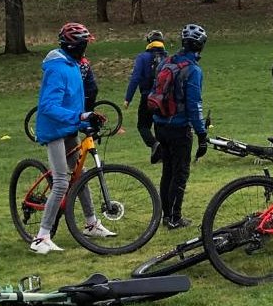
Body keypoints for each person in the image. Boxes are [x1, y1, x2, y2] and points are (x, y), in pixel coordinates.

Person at [30, 22, 116, 254]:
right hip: (54, 130)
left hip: (68, 126)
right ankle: (41, 237)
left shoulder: (75, 65)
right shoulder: (58, 68)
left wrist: (86, 119)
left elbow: (76, 100)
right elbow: (48, 106)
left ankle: (91, 223)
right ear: (73, 45)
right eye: (83, 44)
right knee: (61, 181)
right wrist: (78, 115)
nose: (86, 48)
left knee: (82, 174)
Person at [151, 23, 210, 229]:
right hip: (179, 127)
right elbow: (194, 105)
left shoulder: (166, 62)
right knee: (180, 172)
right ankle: (175, 218)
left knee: (167, 171)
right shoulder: (193, 70)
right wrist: (202, 134)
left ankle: (166, 215)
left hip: (159, 124)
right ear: (200, 46)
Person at [124, 29, 166, 157]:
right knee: (160, 124)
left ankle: (154, 145)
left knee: (143, 125)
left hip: (147, 96)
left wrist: (128, 98)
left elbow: (135, 78)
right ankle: (164, 151)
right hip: (164, 97)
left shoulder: (143, 57)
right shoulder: (167, 58)